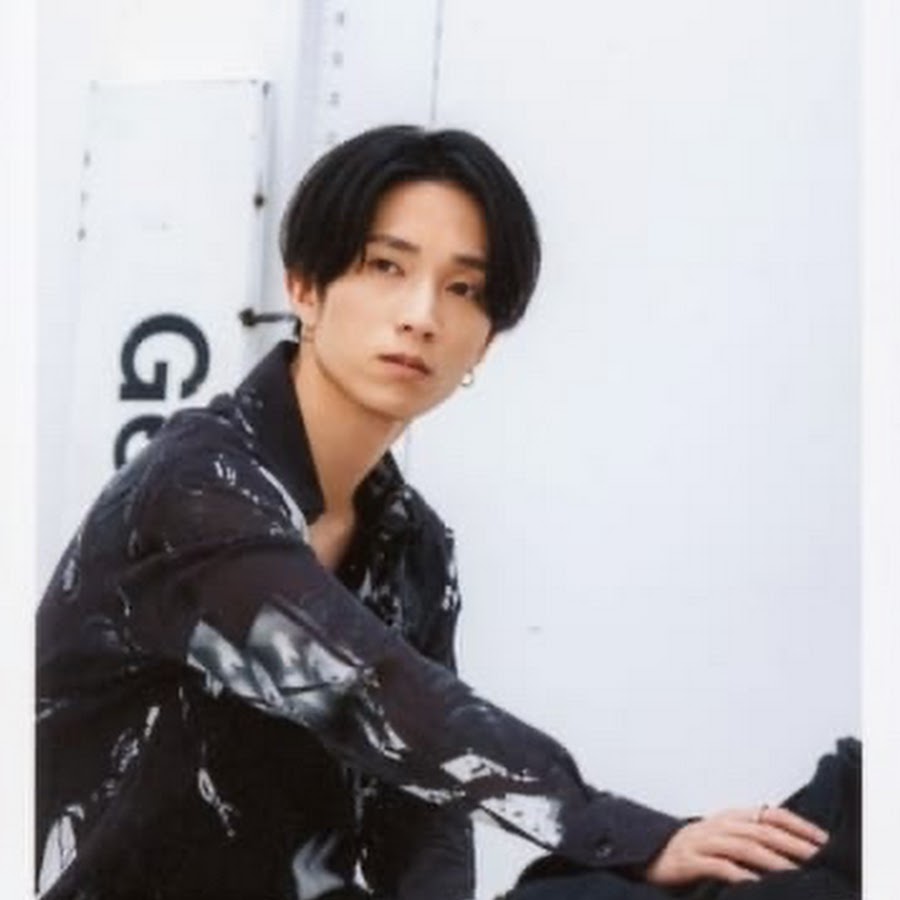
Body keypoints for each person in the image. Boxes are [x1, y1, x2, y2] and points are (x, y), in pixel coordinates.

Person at [35, 125, 859, 900]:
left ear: (486, 341)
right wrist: (615, 829)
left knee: (802, 853)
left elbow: (421, 814)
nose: (422, 315)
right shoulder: (194, 487)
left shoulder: (413, 545)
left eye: (463, 289)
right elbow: (368, 690)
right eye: (386, 267)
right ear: (305, 288)